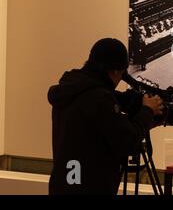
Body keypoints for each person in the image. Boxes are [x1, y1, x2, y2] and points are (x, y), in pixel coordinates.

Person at [48, 38, 165, 195]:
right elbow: (127, 141)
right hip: (89, 188)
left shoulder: (73, 89)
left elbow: (95, 129)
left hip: (65, 184)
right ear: (116, 71)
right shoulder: (99, 98)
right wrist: (147, 111)